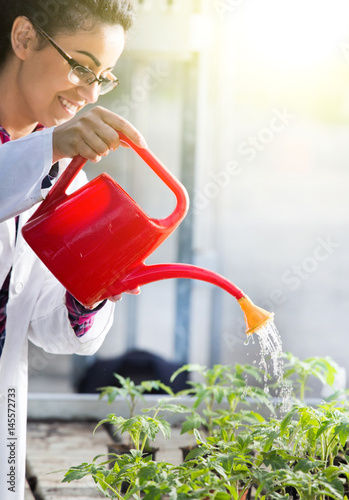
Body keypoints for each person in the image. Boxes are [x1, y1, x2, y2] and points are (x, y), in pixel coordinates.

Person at [0, 1, 145, 498]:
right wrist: (50, 148)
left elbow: (46, 325)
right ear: (24, 39)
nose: (88, 93)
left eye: (104, 77)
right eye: (81, 66)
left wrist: (92, 285)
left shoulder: (58, 170)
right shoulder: (49, 155)